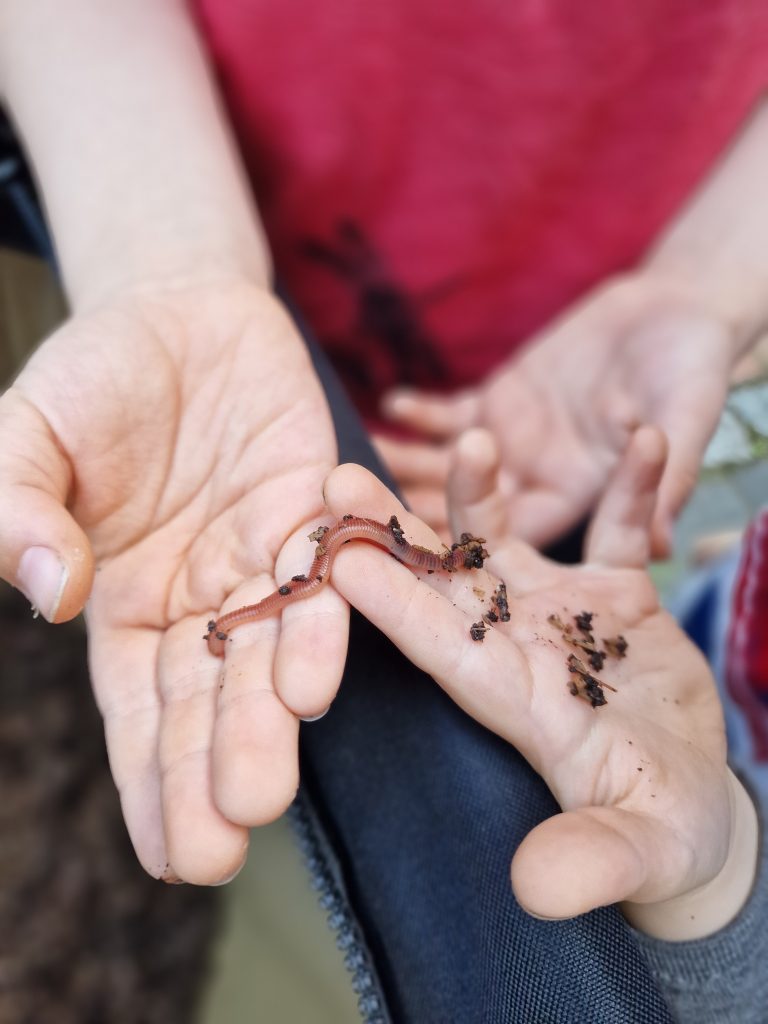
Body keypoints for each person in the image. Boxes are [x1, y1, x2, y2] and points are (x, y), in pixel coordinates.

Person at [0, 2, 766, 1018]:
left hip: (550, 409)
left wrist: (706, 284)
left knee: (460, 656)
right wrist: (166, 262)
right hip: (170, 209)